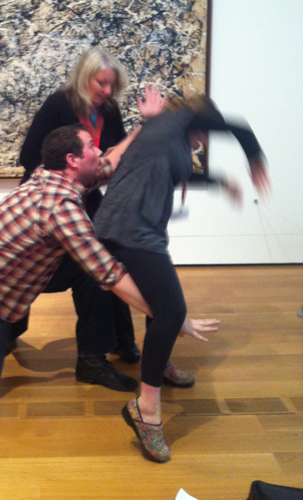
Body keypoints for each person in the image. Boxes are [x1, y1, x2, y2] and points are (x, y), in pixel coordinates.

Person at [0, 125, 198, 405]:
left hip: (10, 278)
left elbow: (109, 162)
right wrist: (168, 317)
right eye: (91, 146)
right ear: (72, 160)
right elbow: (110, 273)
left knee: (88, 269)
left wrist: (139, 130)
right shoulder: (60, 207)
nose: (98, 151)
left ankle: (91, 360)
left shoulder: (56, 175)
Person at [94, 95, 265, 462]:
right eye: (205, 130)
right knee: (171, 310)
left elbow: (185, 172)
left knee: (160, 303)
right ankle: (146, 410)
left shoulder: (171, 139)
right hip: (129, 228)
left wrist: (220, 181)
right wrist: (256, 160)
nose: (205, 139)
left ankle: (160, 363)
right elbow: (239, 127)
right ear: (199, 120)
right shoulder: (174, 123)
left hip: (138, 228)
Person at [17, 48, 162, 376]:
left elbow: (119, 154)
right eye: (101, 83)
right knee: (38, 265)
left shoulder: (108, 110)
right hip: (46, 199)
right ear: (84, 78)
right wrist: (68, 184)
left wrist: (146, 129)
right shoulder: (58, 104)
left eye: (112, 85)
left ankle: (120, 341)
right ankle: (8, 330)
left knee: (109, 260)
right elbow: (29, 156)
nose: (107, 91)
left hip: (88, 197)